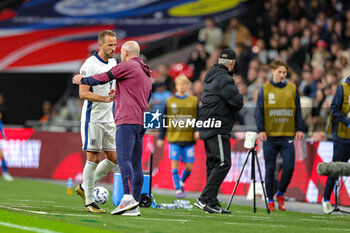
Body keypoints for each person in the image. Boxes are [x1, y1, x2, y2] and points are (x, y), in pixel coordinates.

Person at [72, 41, 152, 217]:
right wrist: (121, 94)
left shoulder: (126, 65)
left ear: (124, 52)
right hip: (140, 121)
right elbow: (142, 93)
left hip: (126, 121)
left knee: (123, 160)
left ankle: (127, 198)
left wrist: (82, 80)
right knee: (136, 164)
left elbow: (104, 77)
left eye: (118, 47)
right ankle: (135, 204)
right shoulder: (145, 70)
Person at [74, 30, 118, 214]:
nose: (114, 48)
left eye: (115, 45)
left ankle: (84, 187)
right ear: (100, 45)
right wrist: (105, 100)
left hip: (109, 118)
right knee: (93, 158)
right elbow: (82, 93)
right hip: (93, 118)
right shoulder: (89, 65)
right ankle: (89, 202)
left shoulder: (115, 62)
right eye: (110, 45)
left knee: (114, 159)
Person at [194, 48, 243, 214]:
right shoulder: (224, 79)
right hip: (218, 125)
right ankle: (204, 198)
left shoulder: (211, 76)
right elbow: (237, 101)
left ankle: (212, 202)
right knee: (223, 162)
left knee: (213, 164)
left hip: (207, 124)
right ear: (232, 63)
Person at [255, 60, 303, 212]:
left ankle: (280, 194)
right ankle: (270, 199)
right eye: (279, 72)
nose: (282, 75)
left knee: (289, 166)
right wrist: (261, 129)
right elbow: (259, 111)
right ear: (273, 71)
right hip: (270, 136)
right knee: (270, 169)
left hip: (287, 135)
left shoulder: (292, 88)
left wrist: (299, 128)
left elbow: (298, 111)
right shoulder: (265, 89)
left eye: (284, 72)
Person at [156, 75, 199, 198]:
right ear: (176, 86)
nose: (182, 86)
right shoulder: (170, 101)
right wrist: (160, 137)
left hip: (189, 139)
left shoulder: (193, 101)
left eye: (184, 84)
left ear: (187, 86)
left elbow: (198, 117)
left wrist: (197, 130)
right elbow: (163, 119)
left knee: (189, 167)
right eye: (180, 84)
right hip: (174, 138)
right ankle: (178, 189)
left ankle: (181, 182)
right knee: (174, 165)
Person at [322, 76, 350, 214]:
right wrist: (347, 121)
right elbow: (334, 109)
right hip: (343, 136)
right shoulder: (342, 89)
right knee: (336, 168)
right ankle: (326, 199)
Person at [0, 113, 13, 181]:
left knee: (2, 156)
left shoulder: (0, 123)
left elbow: (2, 131)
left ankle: (5, 173)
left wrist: (5, 137)